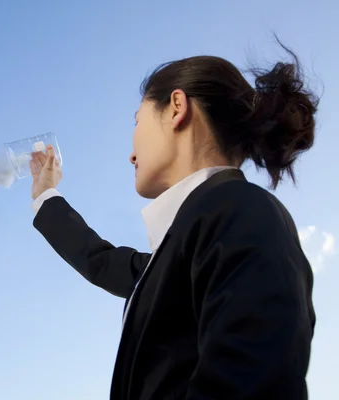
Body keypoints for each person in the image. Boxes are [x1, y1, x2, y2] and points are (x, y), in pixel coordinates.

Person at [29, 43, 318, 400]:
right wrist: (46, 194)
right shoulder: (190, 242)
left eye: (138, 121)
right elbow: (102, 263)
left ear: (177, 108)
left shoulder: (243, 211)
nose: (131, 153)